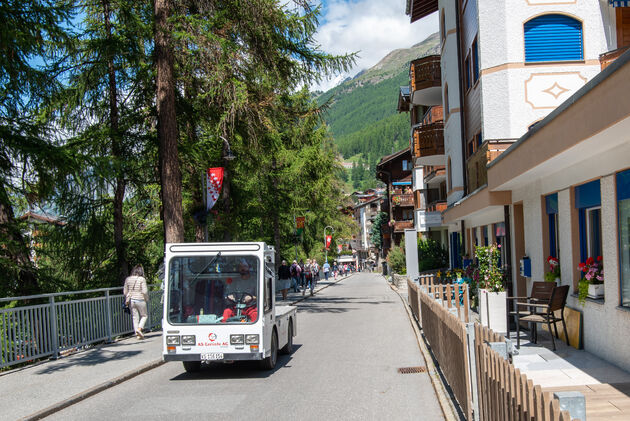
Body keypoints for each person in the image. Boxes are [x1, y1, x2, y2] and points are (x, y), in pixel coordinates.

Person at [124, 265, 149, 339]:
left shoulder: (128, 279)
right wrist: (146, 298)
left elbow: (125, 291)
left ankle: (137, 334)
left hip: (132, 300)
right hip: (140, 299)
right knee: (144, 316)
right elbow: (144, 291)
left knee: (135, 317)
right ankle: (139, 329)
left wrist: (129, 296)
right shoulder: (142, 279)